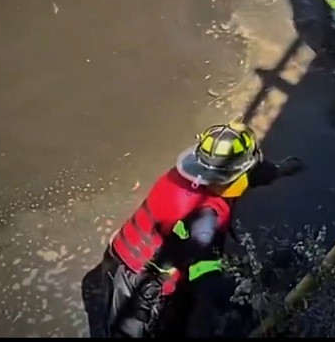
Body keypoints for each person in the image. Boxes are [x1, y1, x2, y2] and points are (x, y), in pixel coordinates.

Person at [82, 121, 305, 338]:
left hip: (115, 261)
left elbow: (252, 173)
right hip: (139, 292)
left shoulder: (195, 175)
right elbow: (204, 280)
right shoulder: (205, 218)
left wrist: (280, 170)